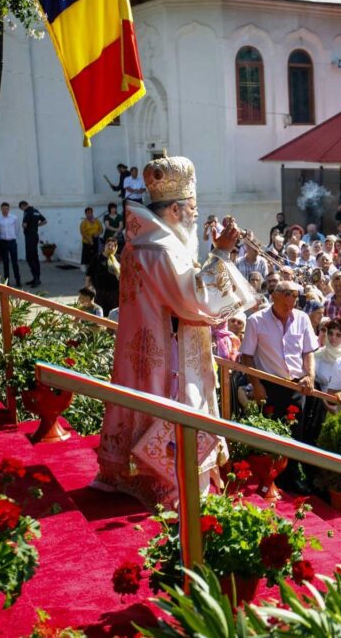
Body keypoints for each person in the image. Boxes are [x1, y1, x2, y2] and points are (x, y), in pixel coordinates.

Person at [93, 156, 255, 507]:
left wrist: (214, 253)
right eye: (192, 208)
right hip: (169, 358)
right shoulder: (161, 249)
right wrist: (222, 253)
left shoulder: (140, 243)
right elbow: (194, 301)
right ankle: (172, 486)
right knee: (172, 410)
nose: (196, 215)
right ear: (176, 210)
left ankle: (133, 474)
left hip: (144, 348)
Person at [240, 279, 319, 489]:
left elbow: (309, 351)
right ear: (274, 295)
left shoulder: (302, 319)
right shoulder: (256, 321)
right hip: (270, 386)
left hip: (296, 386)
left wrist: (310, 375)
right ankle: (268, 478)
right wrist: (256, 385)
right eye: (287, 296)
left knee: (296, 434)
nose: (291, 301)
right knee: (271, 433)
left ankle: (292, 477)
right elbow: (246, 356)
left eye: (294, 297)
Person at [86, 237, 121, 316]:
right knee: (100, 313)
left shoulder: (118, 259)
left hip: (114, 292)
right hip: (99, 292)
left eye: (113, 246)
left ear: (116, 248)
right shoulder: (97, 258)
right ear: (105, 245)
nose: (110, 247)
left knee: (112, 314)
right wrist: (87, 288)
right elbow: (89, 274)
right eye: (109, 245)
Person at [0, 202, 22, 287]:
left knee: (15, 262)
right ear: (1, 209)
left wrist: (13, 236)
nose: (5, 210)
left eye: (6, 209)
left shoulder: (14, 218)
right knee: (5, 263)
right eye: (3, 209)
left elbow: (17, 229)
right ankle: (7, 282)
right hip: (3, 242)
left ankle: (18, 281)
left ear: (9, 209)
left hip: (12, 242)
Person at [18, 201, 46, 287]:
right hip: (35, 235)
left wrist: (24, 226)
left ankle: (36, 278)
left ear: (23, 206)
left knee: (30, 257)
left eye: (21, 208)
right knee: (35, 256)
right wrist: (36, 226)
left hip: (30, 237)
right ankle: (36, 278)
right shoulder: (36, 211)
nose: (22, 210)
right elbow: (44, 221)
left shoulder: (27, 212)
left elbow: (24, 224)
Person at [79, 207, 103, 272]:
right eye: (88, 213)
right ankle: (87, 268)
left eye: (90, 212)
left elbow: (101, 229)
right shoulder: (84, 222)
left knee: (96, 254)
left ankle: (95, 267)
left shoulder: (97, 221)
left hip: (95, 239)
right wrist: (90, 240)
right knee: (87, 255)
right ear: (85, 214)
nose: (89, 214)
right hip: (87, 240)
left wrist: (98, 233)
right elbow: (82, 232)